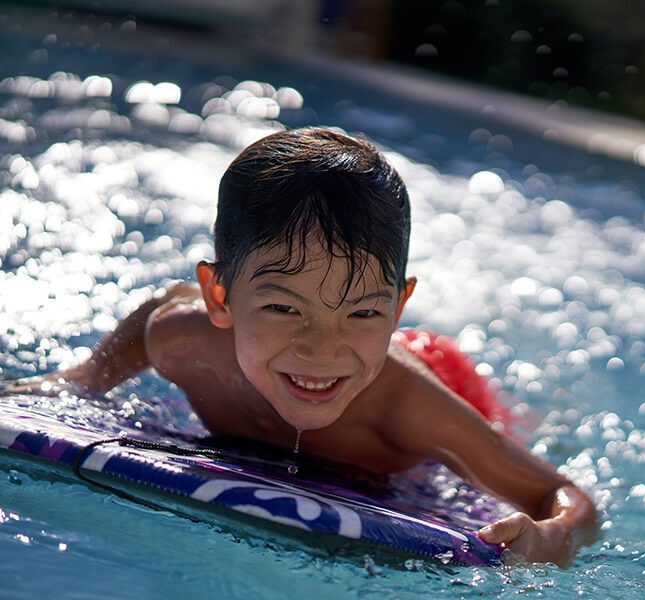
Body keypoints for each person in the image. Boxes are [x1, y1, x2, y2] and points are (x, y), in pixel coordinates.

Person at [6, 127, 597, 566]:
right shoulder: (185, 338)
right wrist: (86, 376)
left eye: (365, 309)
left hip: (438, 370)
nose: (321, 350)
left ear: (397, 307)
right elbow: (159, 312)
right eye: (285, 308)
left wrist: (553, 534)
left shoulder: (407, 408)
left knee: (521, 425)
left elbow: (561, 494)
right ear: (220, 298)